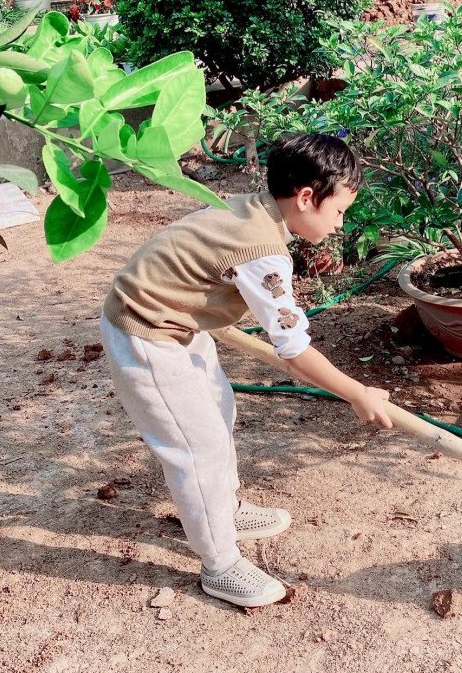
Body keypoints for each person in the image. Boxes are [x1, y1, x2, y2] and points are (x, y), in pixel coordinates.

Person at [100, 133, 392, 609]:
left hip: (178, 319)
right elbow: (294, 350)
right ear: (305, 198)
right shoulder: (261, 251)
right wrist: (356, 392)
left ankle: (226, 510)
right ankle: (220, 565)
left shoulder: (254, 208)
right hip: (147, 332)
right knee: (198, 448)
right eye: (339, 211)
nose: (341, 225)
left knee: (220, 408)